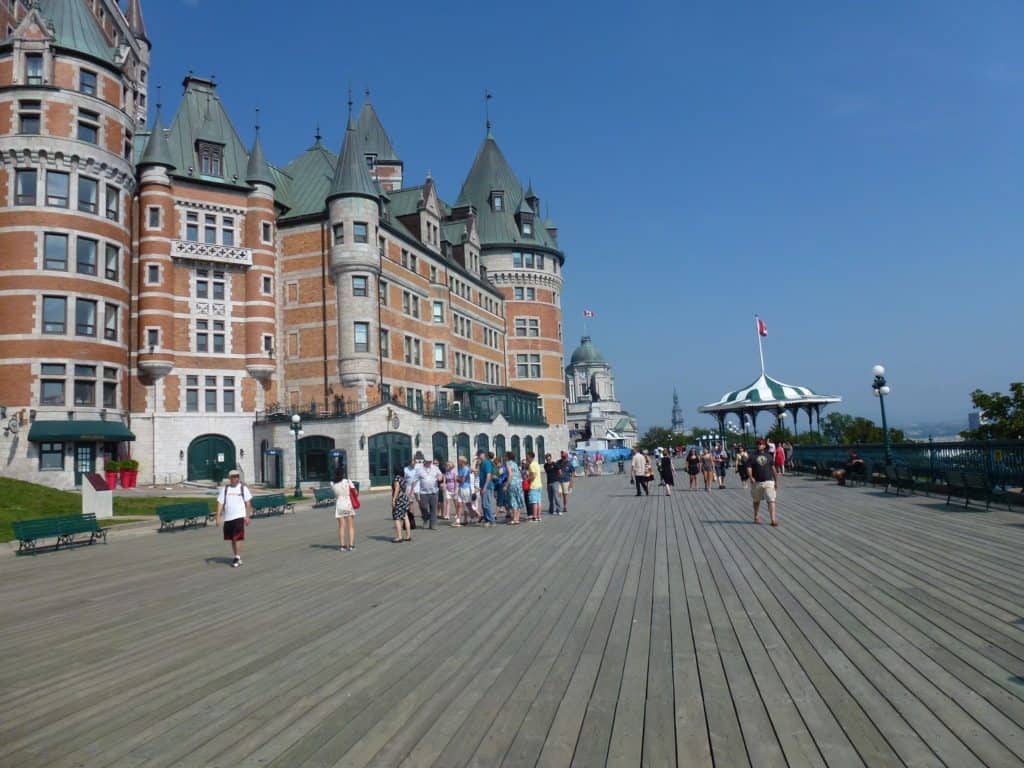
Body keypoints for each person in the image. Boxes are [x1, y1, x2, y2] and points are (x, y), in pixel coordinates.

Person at [215, 469, 252, 568]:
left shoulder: (243, 488)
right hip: (228, 517)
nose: (235, 479)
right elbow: (220, 503)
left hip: (239, 516)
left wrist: (247, 517)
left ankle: (237, 557)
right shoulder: (225, 489)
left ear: (238, 478)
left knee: (237, 537)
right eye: (233, 477)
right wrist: (218, 516)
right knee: (232, 538)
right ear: (229, 478)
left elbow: (248, 504)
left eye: (237, 477)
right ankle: (237, 557)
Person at [749, 437, 779, 526]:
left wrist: (776, 481)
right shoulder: (752, 456)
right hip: (757, 481)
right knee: (756, 500)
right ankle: (756, 516)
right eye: (757, 444)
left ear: (764, 445)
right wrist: (750, 477)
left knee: (771, 499)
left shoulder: (769, 456)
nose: (759, 445)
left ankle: (773, 519)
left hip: (768, 481)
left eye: (760, 444)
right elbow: (749, 468)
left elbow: (773, 468)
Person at [413, 454, 443, 530]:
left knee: (433, 508)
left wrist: (440, 477)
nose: (430, 463)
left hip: (434, 491)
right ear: (424, 461)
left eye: (431, 461)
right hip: (423, 492)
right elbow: (415, 480)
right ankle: (426, 518)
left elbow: (440, 475)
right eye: (428, 461)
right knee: (423, 507)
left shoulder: (435, 468)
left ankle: (433, 524)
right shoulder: (419, 469)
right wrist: (411, 490)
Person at [331, 466, 357, 551]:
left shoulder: (332, 483)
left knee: (341, 526)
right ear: (343, 474)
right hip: (348, 503)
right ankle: (351, 545)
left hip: (339, 504)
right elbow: (355, 492)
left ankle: (342, 546)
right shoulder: (348, 481)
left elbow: (335, 493)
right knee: (350, 526)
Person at [503, 451, 525, 524]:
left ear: (507, 457)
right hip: (518, 484)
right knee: (518, 500)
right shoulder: (515, 464)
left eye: (505, 456)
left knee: (513, 501)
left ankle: (514, 519)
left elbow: (510, 475)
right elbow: (519, 474)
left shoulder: (508, 463)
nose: (504, 457)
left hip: (512, 484)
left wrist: (506, 485)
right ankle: (517, 518)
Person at [391, 467, 412, 542]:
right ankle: (408, 535)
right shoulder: (403, 479)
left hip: (399, 499)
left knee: (397, 518)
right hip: (404, 498)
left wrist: (393, 499)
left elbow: (397, 489)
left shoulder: (397, 478)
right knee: (405, 517)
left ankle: (399, 537)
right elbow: (406, 490)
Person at [477, 450, 496, 527]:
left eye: (479, 455)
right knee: (484, 504)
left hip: (487, 486)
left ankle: (491, 520)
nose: (478, 457)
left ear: (483, 454)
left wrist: (484, 487)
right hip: (483, 486)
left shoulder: (487, 463)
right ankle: (487, 520)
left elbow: (488, 475)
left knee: (486, 504)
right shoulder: (481, 464)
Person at [526, 451, 543, 521]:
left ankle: (534, 517)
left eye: (527, 457)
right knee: (539, 502)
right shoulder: (536, 464)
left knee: (534, 502)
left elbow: (533, 475)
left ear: (530, 457)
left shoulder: (532, 465)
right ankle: (539, 516)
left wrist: (527, 479)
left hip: (534, 485)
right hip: (539, 485)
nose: (526, 459)